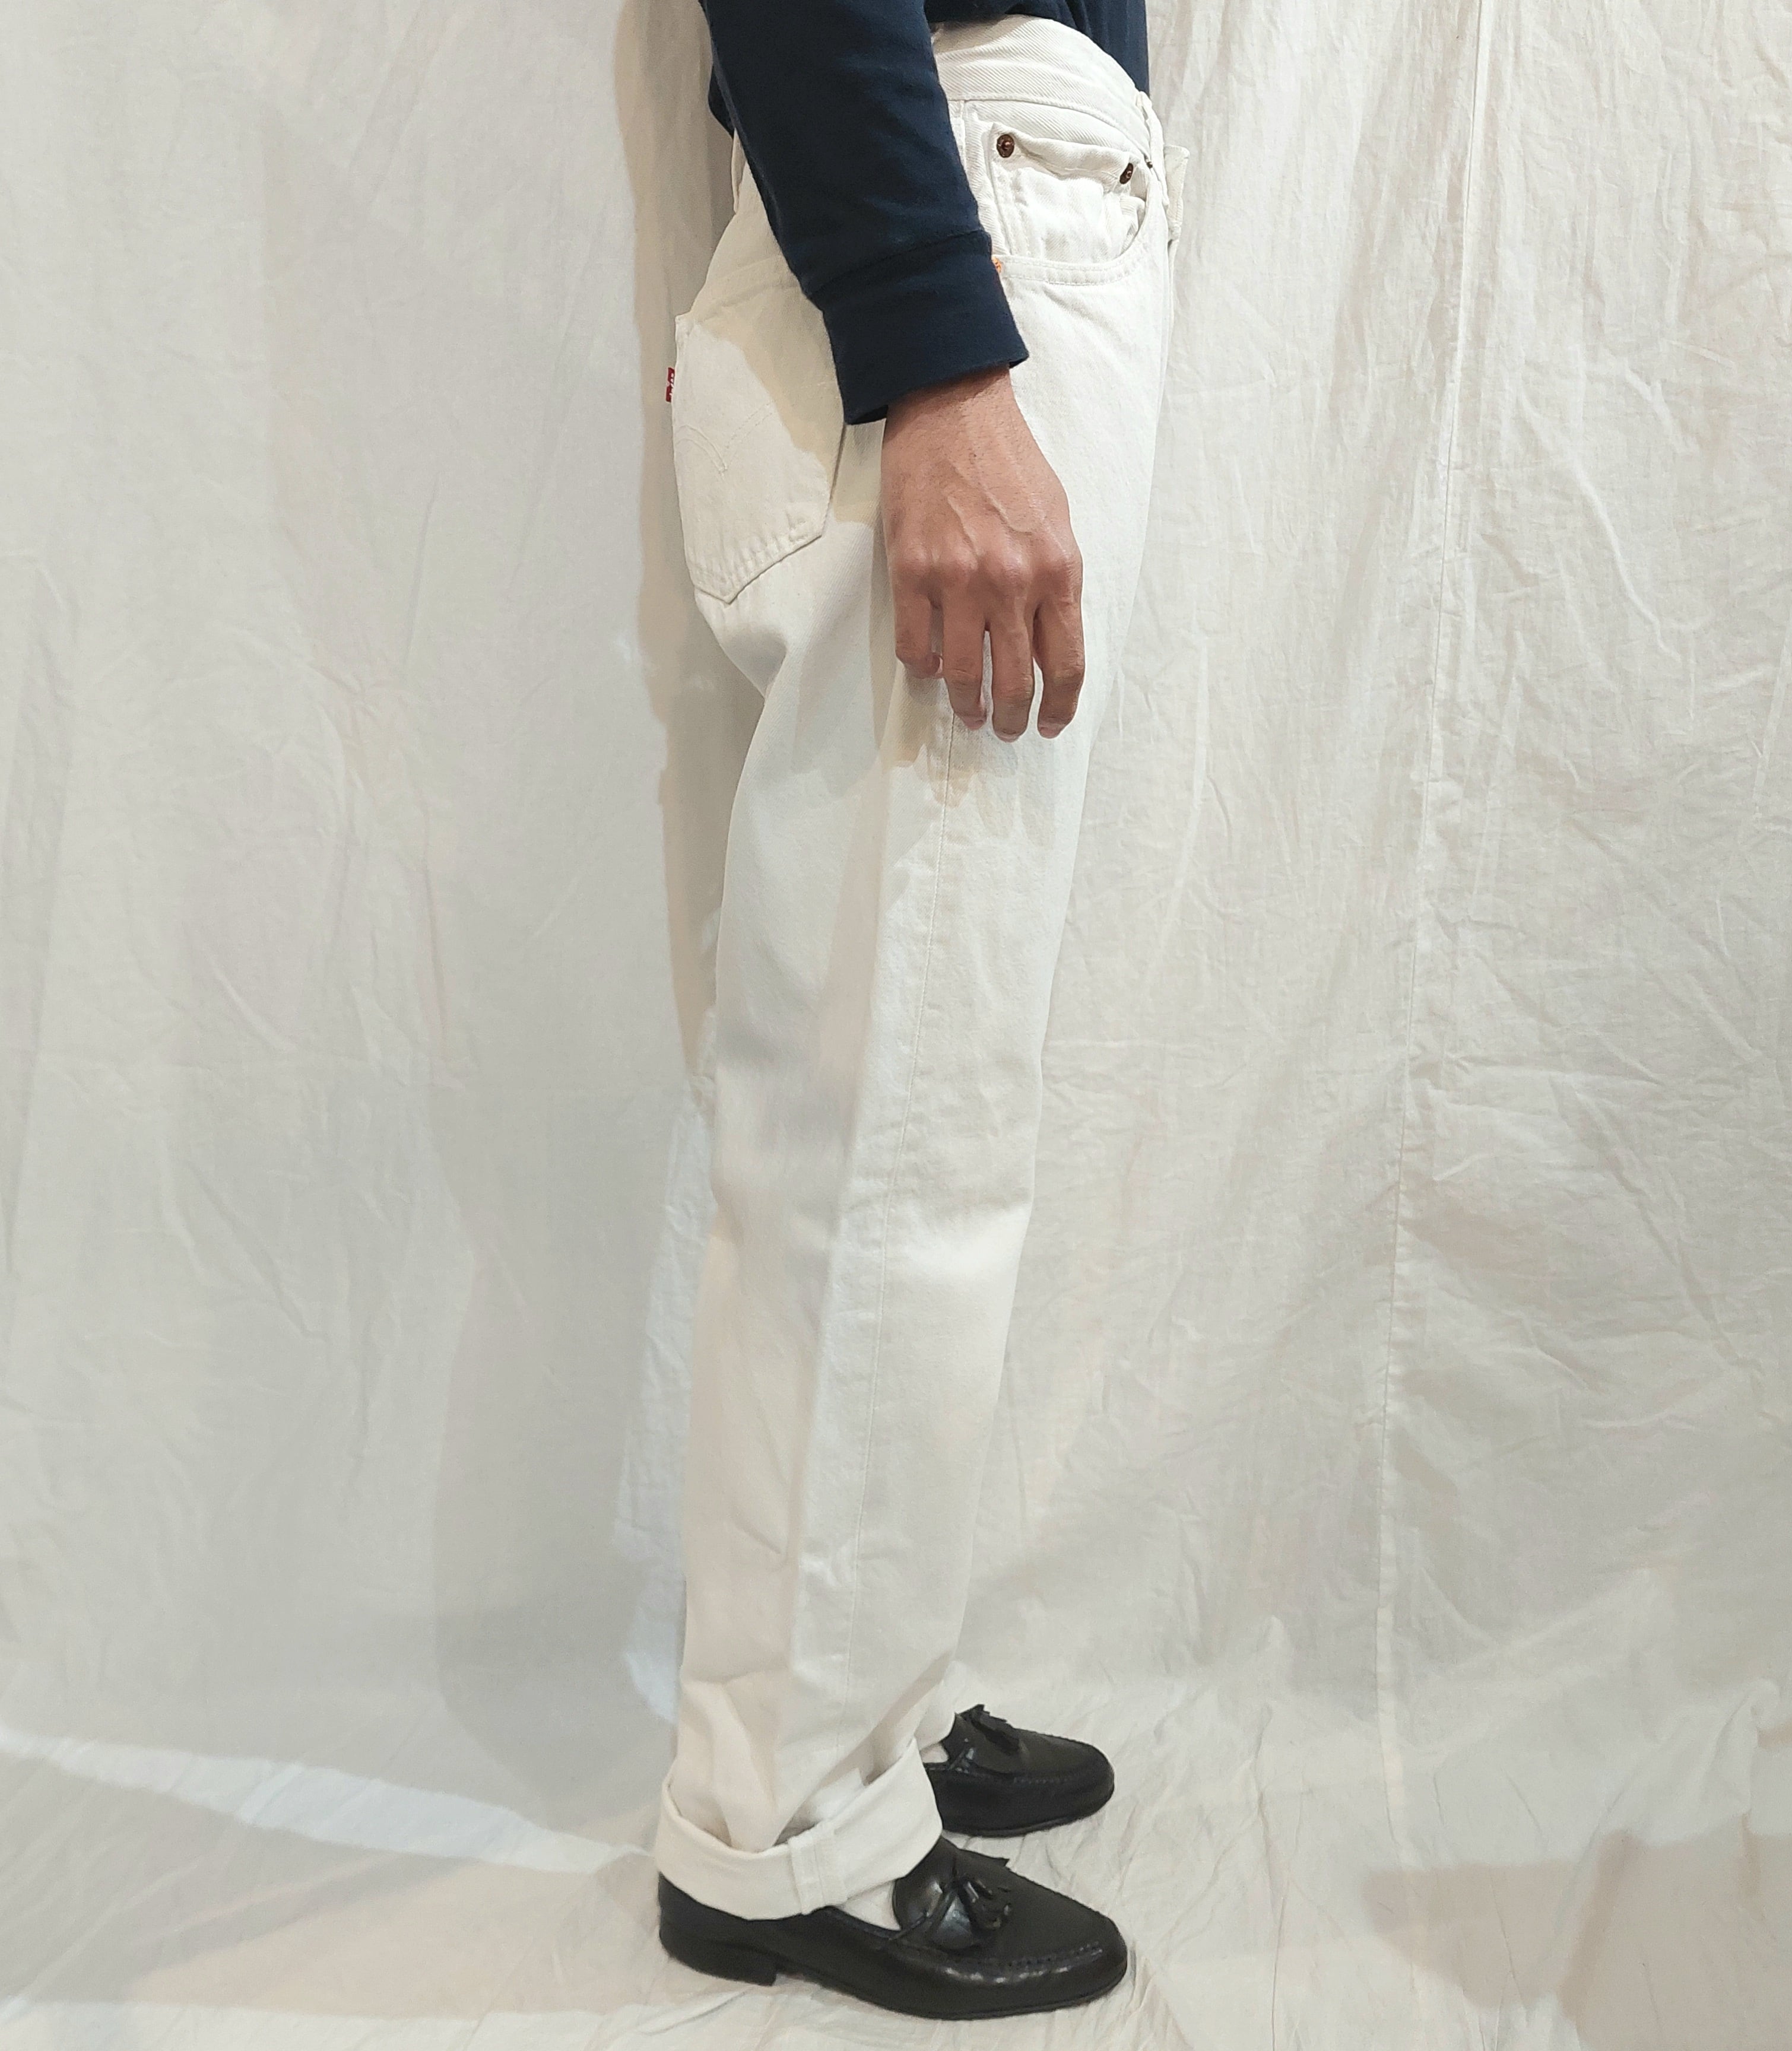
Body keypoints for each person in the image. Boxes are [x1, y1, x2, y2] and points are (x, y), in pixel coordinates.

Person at [651, 0, 1181, 2020]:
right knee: (891, 1120)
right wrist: (941, 355)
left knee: (897, 1079)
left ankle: (852, 1707)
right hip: (952, 220)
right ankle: (790, 1825)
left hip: (955, 197)